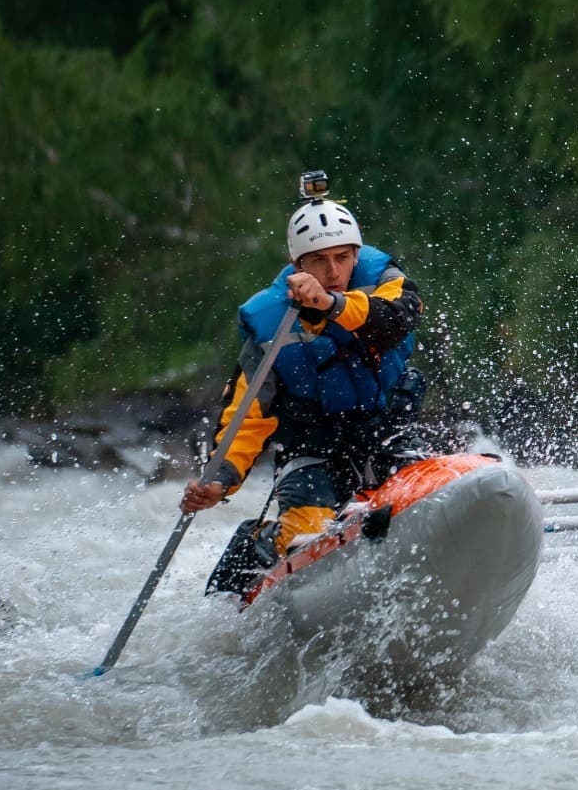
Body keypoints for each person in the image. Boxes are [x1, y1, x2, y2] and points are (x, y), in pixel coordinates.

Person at [181, 174, 425, 592]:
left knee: (418, 488)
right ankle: (261, 542)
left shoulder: (386, 279)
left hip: (386, 431)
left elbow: (394, 321)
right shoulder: (269, 324)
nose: (334, 272)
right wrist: (218, 482)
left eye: (343, 258)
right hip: (312, 450)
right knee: (306, 524)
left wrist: (331, 305)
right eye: (319, 261)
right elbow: (246, 418)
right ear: (298, 266)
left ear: (356, 253)